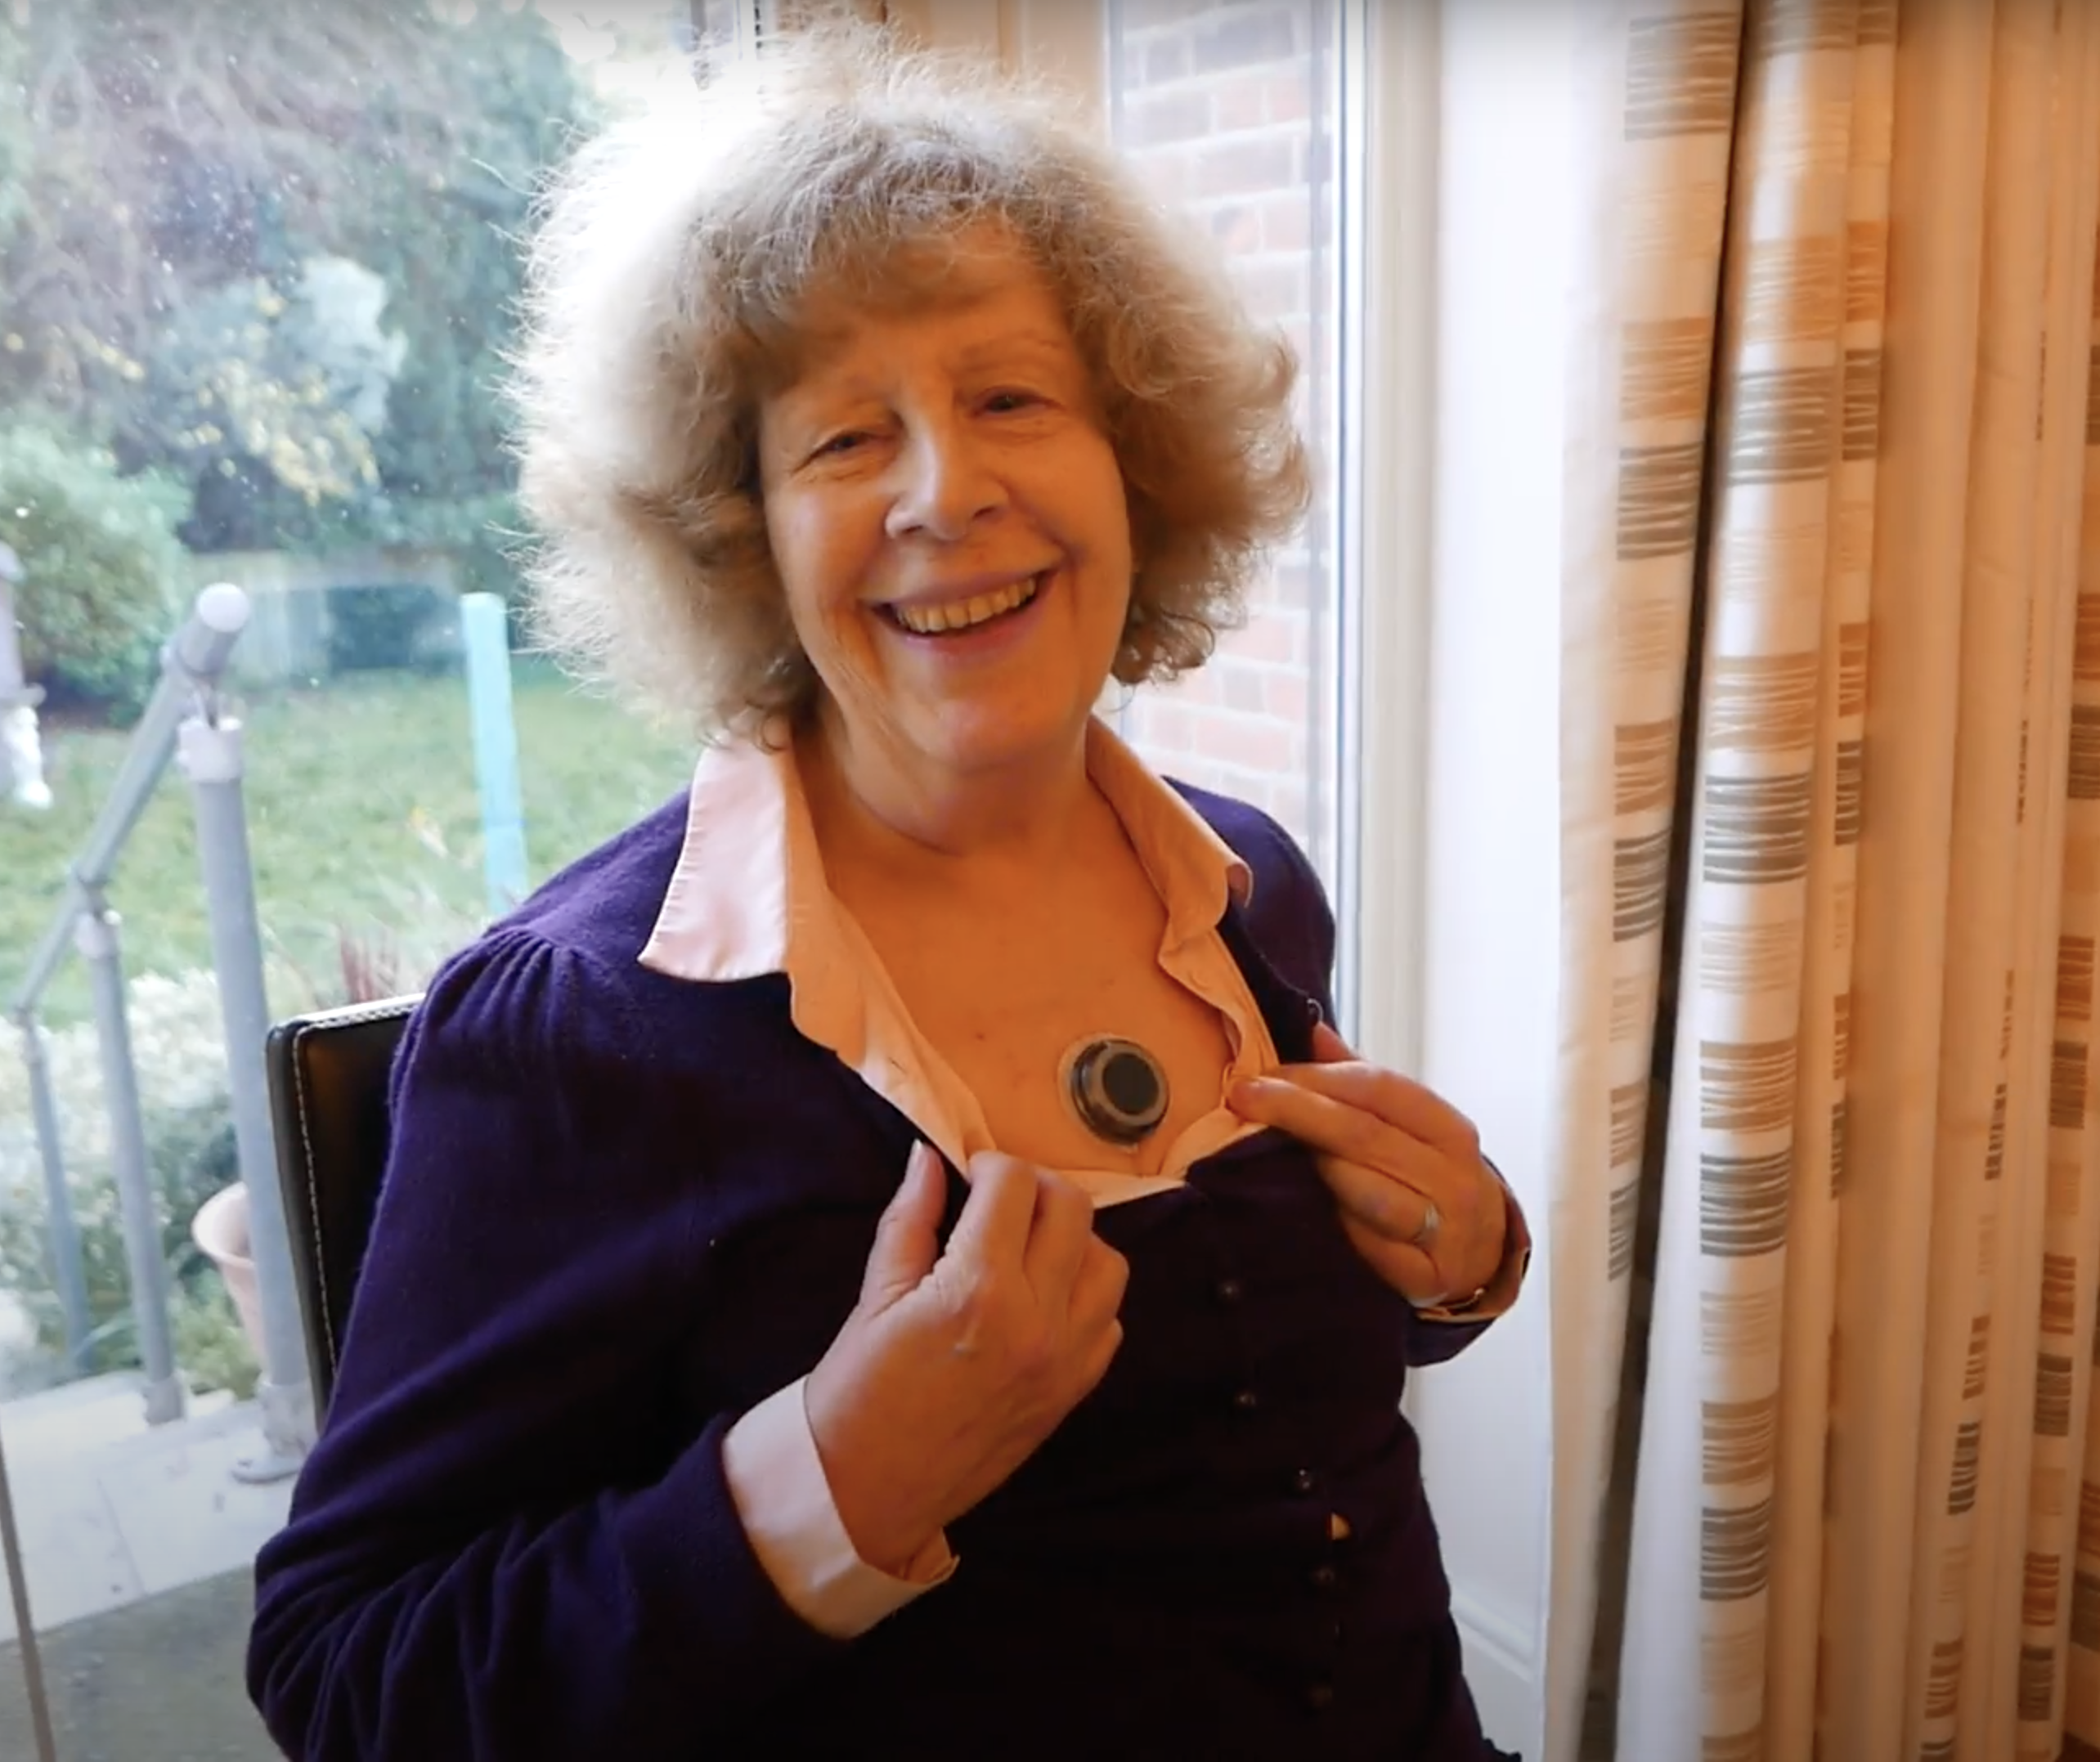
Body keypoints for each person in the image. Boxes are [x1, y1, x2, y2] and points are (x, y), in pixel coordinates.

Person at [247, 23, 1530, 1760]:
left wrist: (1457, 1266)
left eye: (1010, 396)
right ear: (739, 534)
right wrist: (833, 1486)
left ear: (1135, 464)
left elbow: (1256, 1395)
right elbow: (347, 1676)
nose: (946, 493)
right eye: (845, 439)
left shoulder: (1244, 886)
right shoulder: (577, 1038)